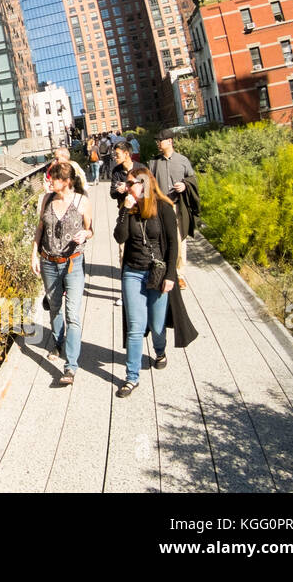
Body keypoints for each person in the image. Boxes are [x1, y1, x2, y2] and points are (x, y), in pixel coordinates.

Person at [112, 167, 197, 396]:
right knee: (135, 326)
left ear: (144, 184)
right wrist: (125, 209)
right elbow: (119, 237)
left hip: (158, 273)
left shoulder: (163, 208)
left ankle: (160, 351)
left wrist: (171, 275)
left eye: (131, 183)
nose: (127, 187)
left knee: (157, 325)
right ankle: (132, 377)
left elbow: (173, 243)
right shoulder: (129, 209)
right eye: (127, 184)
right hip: (132, 271)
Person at [31, 162, 94, 385]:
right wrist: (34, 255)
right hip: (48, 261)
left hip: (73, 264)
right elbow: (40, 228)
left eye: (54, 178)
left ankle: (71, 367)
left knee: (73, 315)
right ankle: (58, 343)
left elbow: (90, 229)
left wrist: (84, 235)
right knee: (55, 307)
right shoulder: (47, 199)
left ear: (66, 181)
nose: (50, 181)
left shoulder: (81, 201)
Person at [149, 131, 199, 286]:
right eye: (157, 141)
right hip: (159, 208)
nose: (158, 143)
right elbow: (148, 184)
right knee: (158, 238)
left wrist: (184, 185)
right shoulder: (153, 162)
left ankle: (179, 274)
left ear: (169, 141)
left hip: (177, 207)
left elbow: (192, 179)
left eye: (160, 140)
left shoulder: (183, 160)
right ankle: (160, 269)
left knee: (178, 239)